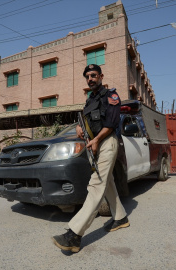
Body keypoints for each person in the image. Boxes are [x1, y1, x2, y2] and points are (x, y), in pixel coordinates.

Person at [52, 64, 129, 253]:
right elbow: (86, 122)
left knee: (96, 185)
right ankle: (120, 217)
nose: (90, 79)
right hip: (94, 143)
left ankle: (74, 235)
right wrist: (80, 128)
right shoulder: (90, 100)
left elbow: (111, 124)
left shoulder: (111, 96)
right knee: (107, 181)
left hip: (106, 142)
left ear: (101, 76)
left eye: (93, 75)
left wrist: (95, 140)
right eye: (87, 76)